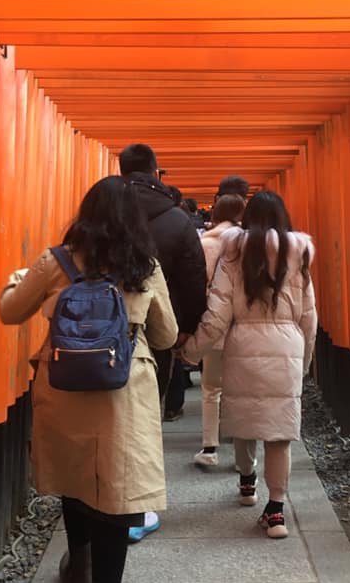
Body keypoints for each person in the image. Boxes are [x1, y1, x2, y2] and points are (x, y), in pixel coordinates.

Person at [0, 176, 177, 583]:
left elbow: (9, 312)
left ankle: (78, 573)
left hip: (63, 387)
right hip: (123, 393)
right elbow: (167, 336)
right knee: (116, 500)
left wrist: (21, 278)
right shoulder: (144, 267)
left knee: (77, 478)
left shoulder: (57, 261)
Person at [180, 190, 317, 539]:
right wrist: (304, 361)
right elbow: (309, 316)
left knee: (243, 419)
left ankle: (246, 481)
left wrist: (191, 352)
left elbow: (217, 314)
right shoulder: (298, 255)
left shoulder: (234, 254)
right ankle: (275, 511)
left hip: (243, 343)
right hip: (287, 343)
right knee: (279, 432)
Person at [119, 143, 207, 536]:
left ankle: (104, 500)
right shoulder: (176, 219)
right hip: (156, 328)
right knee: (145, 413)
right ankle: (136, 505)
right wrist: (187, 325)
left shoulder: (107, 210)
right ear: (156, 173)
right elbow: (192, 275)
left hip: (101, 326)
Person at [192, 193, 246, 468]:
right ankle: (242, 455)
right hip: (244, 323)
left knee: (211, 387)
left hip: (212, 321)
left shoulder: (205, 243)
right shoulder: (251, 242)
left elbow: (196, 284)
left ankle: (209, 448)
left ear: (215, 213)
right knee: (241, 389)